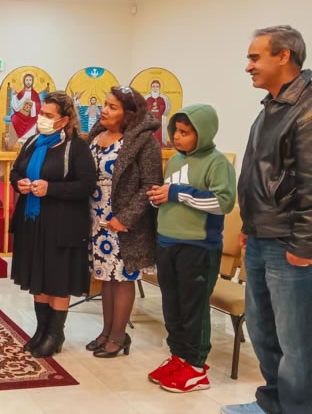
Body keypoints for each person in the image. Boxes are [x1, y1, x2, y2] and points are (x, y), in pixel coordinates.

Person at [223, 26, 311, 414]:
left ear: (284, 56)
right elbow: (262, 175)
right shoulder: (272, 107)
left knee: (296, 341)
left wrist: (304, 244)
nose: (248, 66)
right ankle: (273, 402)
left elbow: (309, 183)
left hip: (290, 243)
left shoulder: (306, 108)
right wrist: (249, 224)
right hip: (262, 236)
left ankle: (296, 407)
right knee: (263, 330)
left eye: (255, 57)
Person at [146, 105, 236, 393]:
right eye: (176, 131)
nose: (177, 137)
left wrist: (176, 193)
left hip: (198, 246)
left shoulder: (217, 163)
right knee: (172, 305)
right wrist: (159, 197)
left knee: (192, 307)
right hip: (168, 242)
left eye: (185, 133)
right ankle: (179, 357)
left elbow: (223, 202)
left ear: (204, 133)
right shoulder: (174, 161)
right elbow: (172, 196)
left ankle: (196, 367)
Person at [9, 91, 96, 358]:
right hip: (33, 222)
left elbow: (86, 185)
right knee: (39, 277)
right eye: (41, 113)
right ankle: (41, 330)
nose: (42, 119)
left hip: (62, 224)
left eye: (48, 115)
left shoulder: (76, 147)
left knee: (57, 279)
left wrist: (52, 189)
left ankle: (55, 334)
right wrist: (19, 183)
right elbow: (16, 171)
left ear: (64, 120)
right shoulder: (33, 142)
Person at [86, 85, 162, 358]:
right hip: (96, 218)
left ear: (128, 114)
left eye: (112, 107)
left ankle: (118, 337)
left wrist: (124, 218)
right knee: (106, 277)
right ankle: (106, 332)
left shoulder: (144, 141)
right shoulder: (97, 134)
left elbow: (151, 185)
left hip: (124, 222)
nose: (104, 110)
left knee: (122, 277)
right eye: (104, 104)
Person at [145, 80, 171, 146]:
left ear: (159, 88)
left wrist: (159, 108)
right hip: (149, 119)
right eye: (153, 86)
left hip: (159, 119)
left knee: (158, 133)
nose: (155, 88)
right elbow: (145, 108)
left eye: (157, 86)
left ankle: (160, 145)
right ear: (151, 88)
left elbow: (165, 108)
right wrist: (151, 108)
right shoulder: (147, 98)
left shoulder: (163, 98)